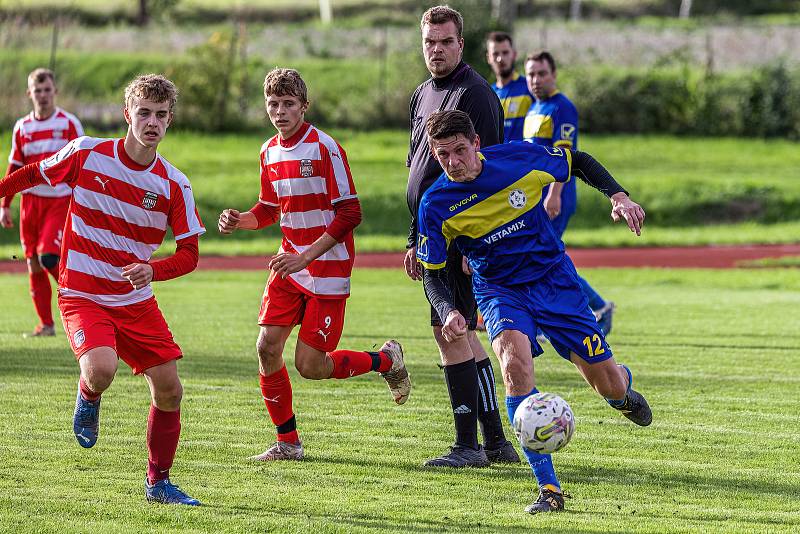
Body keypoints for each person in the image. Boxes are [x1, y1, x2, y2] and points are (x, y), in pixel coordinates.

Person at [416, 110, 652, 514]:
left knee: (607, 384)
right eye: (443, 155)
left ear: (476, 144)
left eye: (459, 151)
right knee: (514, 364)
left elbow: (577, 161)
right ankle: (549, 489)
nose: (453, 162)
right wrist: (448, 308)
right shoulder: (435, 204)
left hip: (555, 282)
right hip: (499, 290)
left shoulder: (519, 159)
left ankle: (622, 390)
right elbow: (433, 274)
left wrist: (619, 195)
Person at [0, 75, 205, 505]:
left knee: (170, 388)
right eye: (144, 113)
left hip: (134, 301)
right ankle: (88, 394)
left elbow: (189, 254)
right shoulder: (89, 152)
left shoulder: (174, 184)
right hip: (82, 294)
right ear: (127, 114)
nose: (152, 122)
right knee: (101, 369)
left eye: (161, 115)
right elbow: (33, 172)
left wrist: (153, 269)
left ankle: (158, 483)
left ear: (170, 121)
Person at [218, 68, 411, 462]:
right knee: (266, 348)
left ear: (304, 106)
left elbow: (350, 213)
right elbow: (271, 209)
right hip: (289, 265)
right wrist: (242, 220)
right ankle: (287, 442)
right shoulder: (268, 151)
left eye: (289, 104)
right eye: (273, 104)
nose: (280, 111)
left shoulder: (325, 148)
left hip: (327, 268)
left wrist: (305, 256)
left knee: (311, 366)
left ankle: (386, 361)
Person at [404, 5, 518, 468]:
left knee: (453, 330)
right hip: (433, 232)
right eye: (430, 42)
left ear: (461, 44)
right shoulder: (422, 95)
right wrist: (415, 236)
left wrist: (479, 242)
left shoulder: (477, 95)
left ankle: (470, 445)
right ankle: (493, 442)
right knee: (455, 330)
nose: (437, 50)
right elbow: (417, 166)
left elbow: (488, 176)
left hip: (462, 237)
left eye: (446, 42)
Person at [523, 51, 616, 334]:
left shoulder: (562, 107)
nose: (536, 80)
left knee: (543, 257)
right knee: (543, 257)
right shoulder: (534, 108)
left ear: (554, 75)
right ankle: (594, 307)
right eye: (531, 74)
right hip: (535, 197)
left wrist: (555, 194)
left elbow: (564, 154)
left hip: (555, 196)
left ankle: (595, 306)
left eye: (541, 73)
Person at [0, 68, 84, 337]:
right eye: (38, 91)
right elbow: (14, 167)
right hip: (29, 205)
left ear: (55, 92)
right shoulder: (22, 127)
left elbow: (82, 163)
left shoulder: (69, 123)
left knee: (49, 256)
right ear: (29, 94)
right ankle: (46, 325)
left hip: (59, 202)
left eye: (47, 90)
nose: (43, 95)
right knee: (33, 263)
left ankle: (84, 300)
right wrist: (4, 205)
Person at [486, 31, 532, 143]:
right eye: (495, 54)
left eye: (505, 52)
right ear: (489, 58)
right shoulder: (487, 93)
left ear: (514, 55)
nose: (500, 59)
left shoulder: (530, 88)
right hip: (497, 159)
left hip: (524, 159)